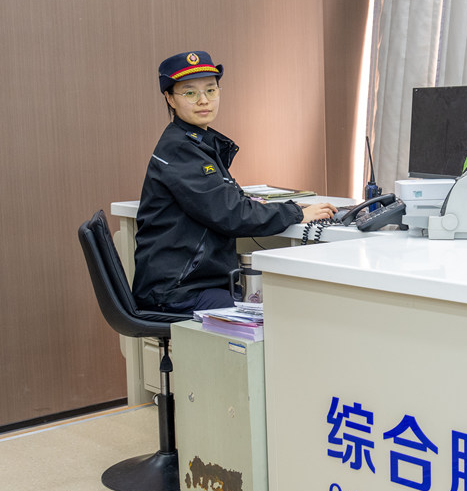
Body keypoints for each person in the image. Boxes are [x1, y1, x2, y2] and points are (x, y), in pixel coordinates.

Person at [132, 51, 336, 311]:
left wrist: (275, 208)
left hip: (187, 283)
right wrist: (296, 213)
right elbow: (230, 213)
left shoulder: (195, 143)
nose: (203, 100)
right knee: (276, 314)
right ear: (170, 98)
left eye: (211, 90)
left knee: (273, 304)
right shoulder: (181, 150)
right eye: (190, 93)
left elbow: (223, 201)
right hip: (176, 291)